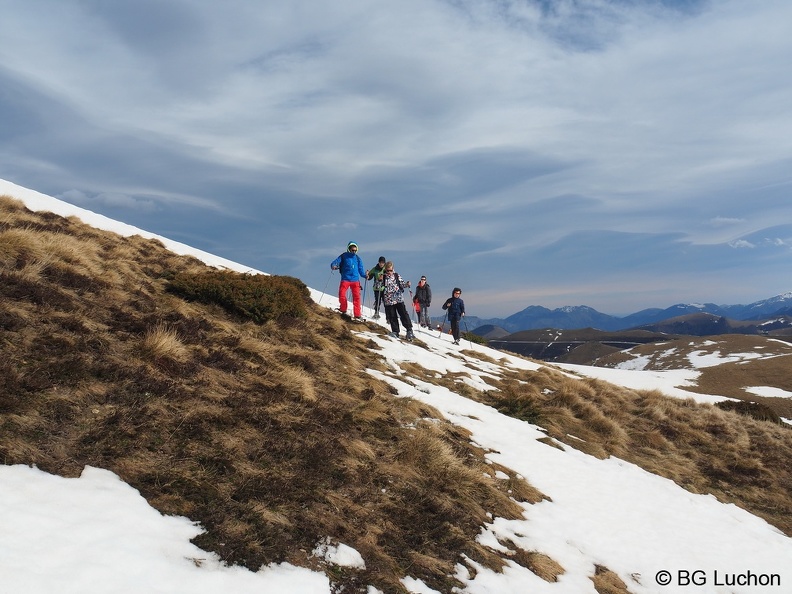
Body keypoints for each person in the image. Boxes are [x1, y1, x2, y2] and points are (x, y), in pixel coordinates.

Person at [330, 241, 366, 320]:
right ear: (349, 249)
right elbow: (335, 262)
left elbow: (361, 270)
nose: (354, 252)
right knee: (342, 295)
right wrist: (333, 266)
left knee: (357, 297)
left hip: (355, 280)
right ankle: (343, 309)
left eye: (355, 250)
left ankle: (357, 315)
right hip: (345, 279)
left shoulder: (357, 258)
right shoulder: (343, 256)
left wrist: (365, 275)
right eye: (352, 250)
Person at [381, 261, 415, 340]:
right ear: (385, 270)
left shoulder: (396, 276)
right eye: (387, 270)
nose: (389, 272)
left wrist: (407, 284)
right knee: (392, 316)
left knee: (403, 314)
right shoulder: (383, 277)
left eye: (390, 270)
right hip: (389, 300)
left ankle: (409, 330)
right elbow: (378, 287)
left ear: (393, 269)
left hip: (398, 298)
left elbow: (402, 284)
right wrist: (379, 281)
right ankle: (395, 331)